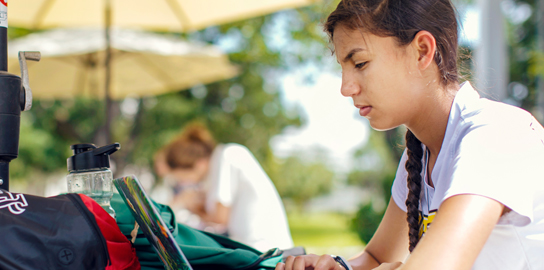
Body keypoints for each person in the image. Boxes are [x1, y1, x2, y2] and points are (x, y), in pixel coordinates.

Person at [276, 0, 544, 270]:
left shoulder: (498, 133)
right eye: (343, 68)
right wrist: (338, 267)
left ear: (422, 51)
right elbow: (376, 258)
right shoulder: (418, 155)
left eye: (360, 63)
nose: (346, 88)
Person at [157, 123, 294, 252]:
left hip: (264, 249)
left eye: (182, 177)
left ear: (198, 164)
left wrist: (192, 208)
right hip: (253, 248)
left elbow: (220, 218)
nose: (184, 182)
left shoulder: (226, 155)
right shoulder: (216, 169)